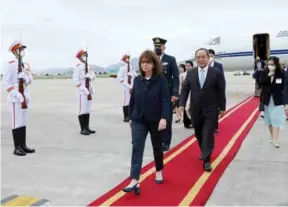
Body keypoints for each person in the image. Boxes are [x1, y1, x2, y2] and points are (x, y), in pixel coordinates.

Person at [122, 50, 170, 195]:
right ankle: (134, 179)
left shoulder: (161, 80)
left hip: (156, 120)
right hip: (138, 120)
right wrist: (130, 117)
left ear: (154, 64)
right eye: (143, 62)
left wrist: (164, 117)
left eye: (148, 62)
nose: (145, 65)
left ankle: (159, 171)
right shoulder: (137, 80)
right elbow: (133, 100)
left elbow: (165, 100)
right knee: (137, 148)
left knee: (157, 147)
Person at [179, 48, 226, 172]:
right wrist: (181, 104)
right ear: (196, 59)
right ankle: (204, 151)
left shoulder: (216, 72)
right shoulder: (191, 73)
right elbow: (185, 90)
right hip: (195, 109)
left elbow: (221, 91)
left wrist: (222, 107)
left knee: (208, 134)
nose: (200, 59)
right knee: (198, 134)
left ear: (208, 58)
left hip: (211, 109)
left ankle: (206, 160)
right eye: (198, 57)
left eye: (203, 57)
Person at [2, 40, 35, 156]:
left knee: (23, 122)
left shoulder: (24, 65)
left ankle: (23, 145)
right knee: (16, 122)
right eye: (21, 49)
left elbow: (30, 80)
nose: (23, 51)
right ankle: (17, 147)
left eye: (23, 49)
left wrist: (26, 78)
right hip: (15, 98)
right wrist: (17, 94)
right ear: (15, 51)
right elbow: (6, 83)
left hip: (25, 95)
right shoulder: (11, 64)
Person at [152, 37, 179, 151]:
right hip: (153, 94)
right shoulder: (151, 59)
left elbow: (175, 77)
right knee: (155, 117)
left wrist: (175, 93)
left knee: (166, 118)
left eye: (159, 46)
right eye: (156, 46)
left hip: (167, 94)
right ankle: (158, 139)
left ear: (164, 47)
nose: (157, 48)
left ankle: (166, 141)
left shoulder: (171, 59)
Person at [259, 56, 288, 148]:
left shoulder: (281, 73)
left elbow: (285, 85)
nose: (270, 66)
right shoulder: (264, 72)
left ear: (276, 64)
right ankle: (271, 135)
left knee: (276, 119)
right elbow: (261, 82)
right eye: (269, 64)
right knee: (269, 120)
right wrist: (269, 76)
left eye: (272, 64)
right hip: (267, 99)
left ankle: (276, 140)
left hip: (277, 99)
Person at [72, 49, 96, 135]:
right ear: (79, 57)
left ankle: (87, 127)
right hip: (82, 91)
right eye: (83, 55)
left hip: (88, 89)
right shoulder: (78, 67)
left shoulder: (88, 66)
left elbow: (94, 76)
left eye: (86, 55)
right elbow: (75, 80)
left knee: (87, 109)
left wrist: (90, 76)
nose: (85, 57)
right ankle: (82, 129)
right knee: (82, 109)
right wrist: (82, 88)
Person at [208, 49, 225, 133]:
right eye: (209, 56)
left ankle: (215, 127)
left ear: (214, 56)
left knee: (215, 110)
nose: (210, 57)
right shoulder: (203, 65)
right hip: (206, 92)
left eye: (211, 56)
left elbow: (222, 79)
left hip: (216, 91)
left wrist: (222, 91)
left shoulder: (219, 66)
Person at [117, 54, 137, 122]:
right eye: (126, 58)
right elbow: (120, 77)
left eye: (128, 58)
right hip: (126, 87)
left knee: (131, 101)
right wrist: (128, 85)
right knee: (126, 101)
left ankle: (130, 115)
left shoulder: (131, 67)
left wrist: (132, 74)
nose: (128, 60)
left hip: (132, 87)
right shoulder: (122, 68)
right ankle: (126, 117)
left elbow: (135, 76)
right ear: (124, 59)